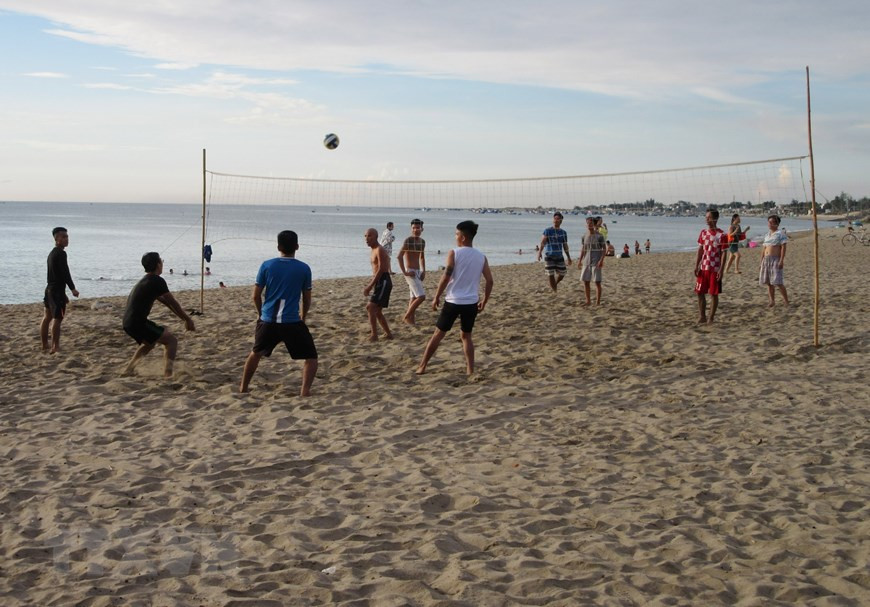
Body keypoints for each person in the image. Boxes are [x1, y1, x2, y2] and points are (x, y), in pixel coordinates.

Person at [239, 230, 318, 395]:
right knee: (311, 357)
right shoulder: (304, 268)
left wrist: (260, 314)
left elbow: (255, 296)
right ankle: (305, 391)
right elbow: (306, 299)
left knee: (255, 353)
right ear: (297, 246)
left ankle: (243, 388)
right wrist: (303, 317)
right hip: (291, 321)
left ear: (278, 247)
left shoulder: (267, 265)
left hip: (268, 320)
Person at [417, 220, 493, 375]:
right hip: (471, 302)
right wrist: (484, 300)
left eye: (457, 234)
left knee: (438, 334)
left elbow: (446, 276)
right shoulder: (481, 257)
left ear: (463, 237)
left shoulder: (454, 252)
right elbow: (490, 281)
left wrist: (436, 296)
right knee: (466, 336)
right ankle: (470, 370)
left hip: (453, 301)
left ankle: (422, 366)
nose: (455, 237)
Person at [122, 252, 195, 377]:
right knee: (171, 341)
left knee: (150, 343)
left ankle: (129, 370)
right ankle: (168, 374)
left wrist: (183, 319)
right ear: (158, 265)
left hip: (128, 322)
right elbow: (172, 302)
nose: (162, 263)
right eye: (161, 261)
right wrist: (188, 319)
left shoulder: (146, 280)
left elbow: (166, 302)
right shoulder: (157, 280)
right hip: (137, 322)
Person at [40, 227, 80, 354]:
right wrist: (72, 288)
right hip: (56, 291)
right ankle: (55, 346)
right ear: (57, 239)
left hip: (49, 289)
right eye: (63, 237)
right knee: (57, 318)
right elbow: (65, 273)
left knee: (47, 317)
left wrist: (64, 294)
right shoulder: (61, 254)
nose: (66, 239)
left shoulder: (52, 253)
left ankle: (45, 345)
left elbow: (56, 274)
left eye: (67, 237)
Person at [693, 210, 729, 324]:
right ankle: (702, 316)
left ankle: (711, 318)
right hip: (704, 267)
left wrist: (721, 270)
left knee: (714, 294)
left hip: (715, 268)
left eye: (709, 217)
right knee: (699, 292)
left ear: (715, 219)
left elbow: (724, 253)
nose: (707, 220)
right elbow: (700, 250)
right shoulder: (703, 233)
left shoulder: (722, 235)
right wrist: (696, 265)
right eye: (706, 217)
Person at [364, 227, 393, 341]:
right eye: (365, 236)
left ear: (376, 237)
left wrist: (370, 286)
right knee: (377, 311)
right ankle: (388, 334)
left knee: (370, 307)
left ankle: (374, 335)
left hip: (384, 280)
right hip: (379, 281)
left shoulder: (379, 249)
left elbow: (381, 269)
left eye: (369, 236)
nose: (367, 238)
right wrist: (372, 282)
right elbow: (376, 269)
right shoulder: (373, 250)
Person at [397, 218, 426, 325]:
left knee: (413, 297)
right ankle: (406, 316)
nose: (415, 230)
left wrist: (423, 271)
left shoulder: (422, 242)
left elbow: (422, 257)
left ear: (422, 228)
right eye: (413, 228)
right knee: (421, 296)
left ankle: (411, 321)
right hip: (410, 272)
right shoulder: (408, 240)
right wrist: (405, 272)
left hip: (417, 272)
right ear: (411, 229)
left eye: (418, 227)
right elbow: (399, 256)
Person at [759, 215, 789, 307]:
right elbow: (764, 248)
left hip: (775, 259)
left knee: (778, 282)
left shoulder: (780, 233)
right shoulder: (767, 235)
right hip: (766, 259)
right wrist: (761, 261)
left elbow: (783, 247)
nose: (769, 224)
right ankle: (772, 301)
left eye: (771, 222)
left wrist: (781, 260)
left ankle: (786, 300)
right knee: (769, 282)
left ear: (776, 224)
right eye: (769, 222)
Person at [536, 212, 571, 292]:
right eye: (555, 219)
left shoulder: (563, 232)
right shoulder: (547, 230)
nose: (556, 220)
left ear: (561, 221)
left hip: (559, 256)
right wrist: (539, 252)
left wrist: (568, 257)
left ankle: (554, 284)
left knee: (562, 273)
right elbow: (543, 242)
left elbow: (565, 245)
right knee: (550, 275)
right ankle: (555, 291)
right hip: (549, 256)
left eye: (558, 219)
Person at [578, 217, 606, 305]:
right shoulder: (584, 236)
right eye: (587, 223)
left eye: (591, 223)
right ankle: (588, 301)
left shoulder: (599, 236)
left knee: (597, 282)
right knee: (586, 282)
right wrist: (580, 260)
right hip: (586, 261)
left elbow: (604, 249)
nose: (589, 224)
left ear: (594, 224)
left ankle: (598, 302)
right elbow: (583, 249)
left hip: (596, 261)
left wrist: (601, 260)